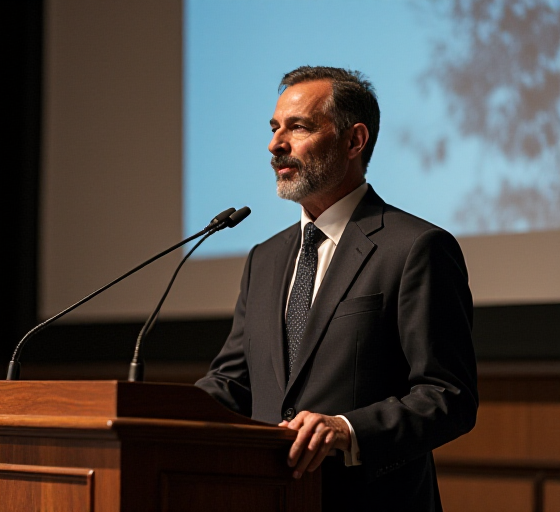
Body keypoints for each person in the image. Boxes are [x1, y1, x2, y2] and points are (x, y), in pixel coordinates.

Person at [195, 66, 478, 512]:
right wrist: (152, 411)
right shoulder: (264, 259)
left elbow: (447, 396)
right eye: (274, 128)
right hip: (267, 496)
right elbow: (232, 383)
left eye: (298, 127)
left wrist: (347, 429)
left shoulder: (416, 248)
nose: (275, 144)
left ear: (354, 141)